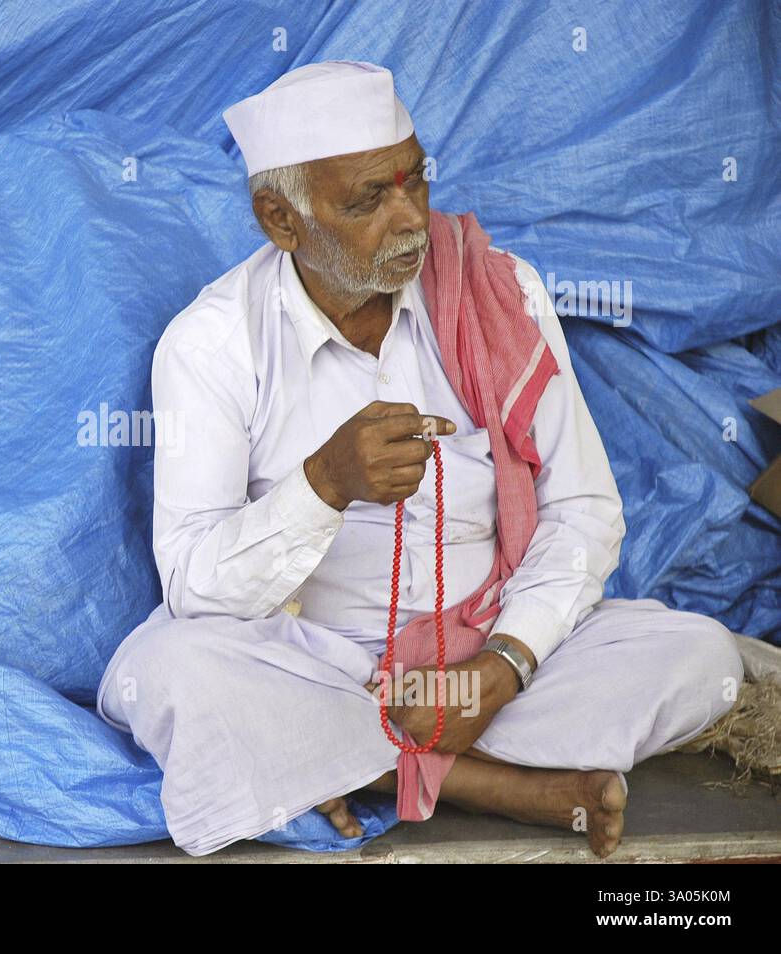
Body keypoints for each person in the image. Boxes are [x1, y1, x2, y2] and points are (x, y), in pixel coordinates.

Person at [95, 60, 743, 858]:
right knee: (167, 671)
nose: (409, 220)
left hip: (485, 649)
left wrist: (501, 669)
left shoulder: (500, 294)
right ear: (281, 220)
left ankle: (345, 765)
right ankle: (497, 787)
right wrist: (323, 486)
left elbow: (584, 510)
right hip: (315, 665)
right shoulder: (211, 346)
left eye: (414, 181)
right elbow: (194, 586)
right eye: (369, 198)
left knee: (699, 656)